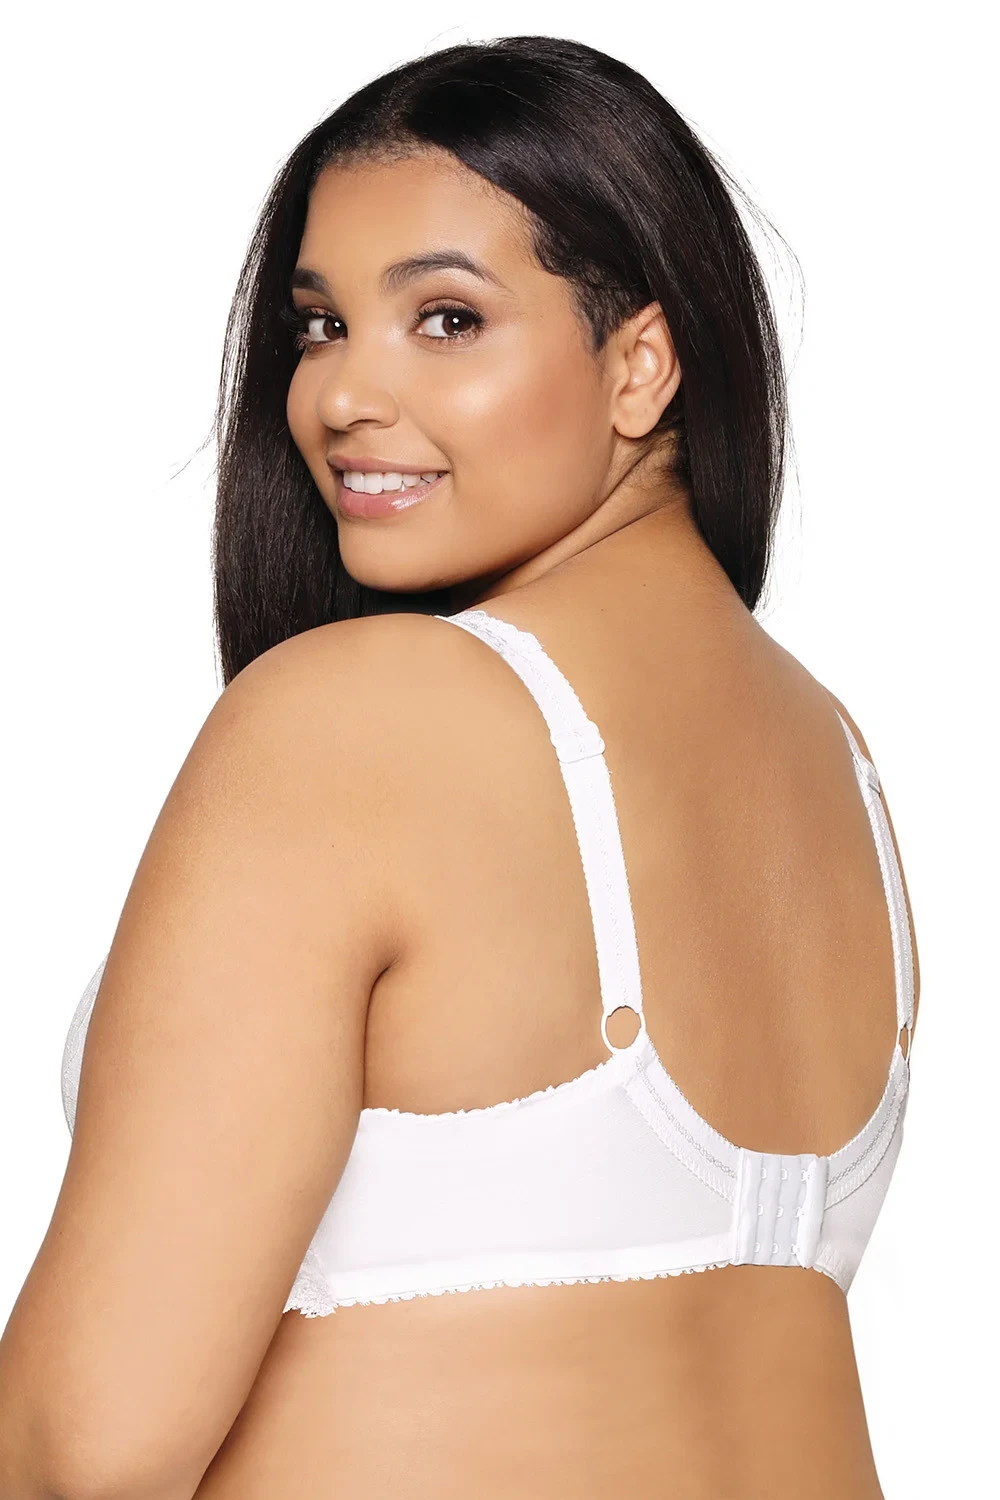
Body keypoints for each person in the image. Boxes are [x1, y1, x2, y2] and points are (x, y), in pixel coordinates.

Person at [0, 34, 919, 1500]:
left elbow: (83, 1454)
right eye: (321, 325)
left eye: (445, 318)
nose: (340, 397)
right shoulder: (838, 767)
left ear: (640, 363)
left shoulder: (360, 722)